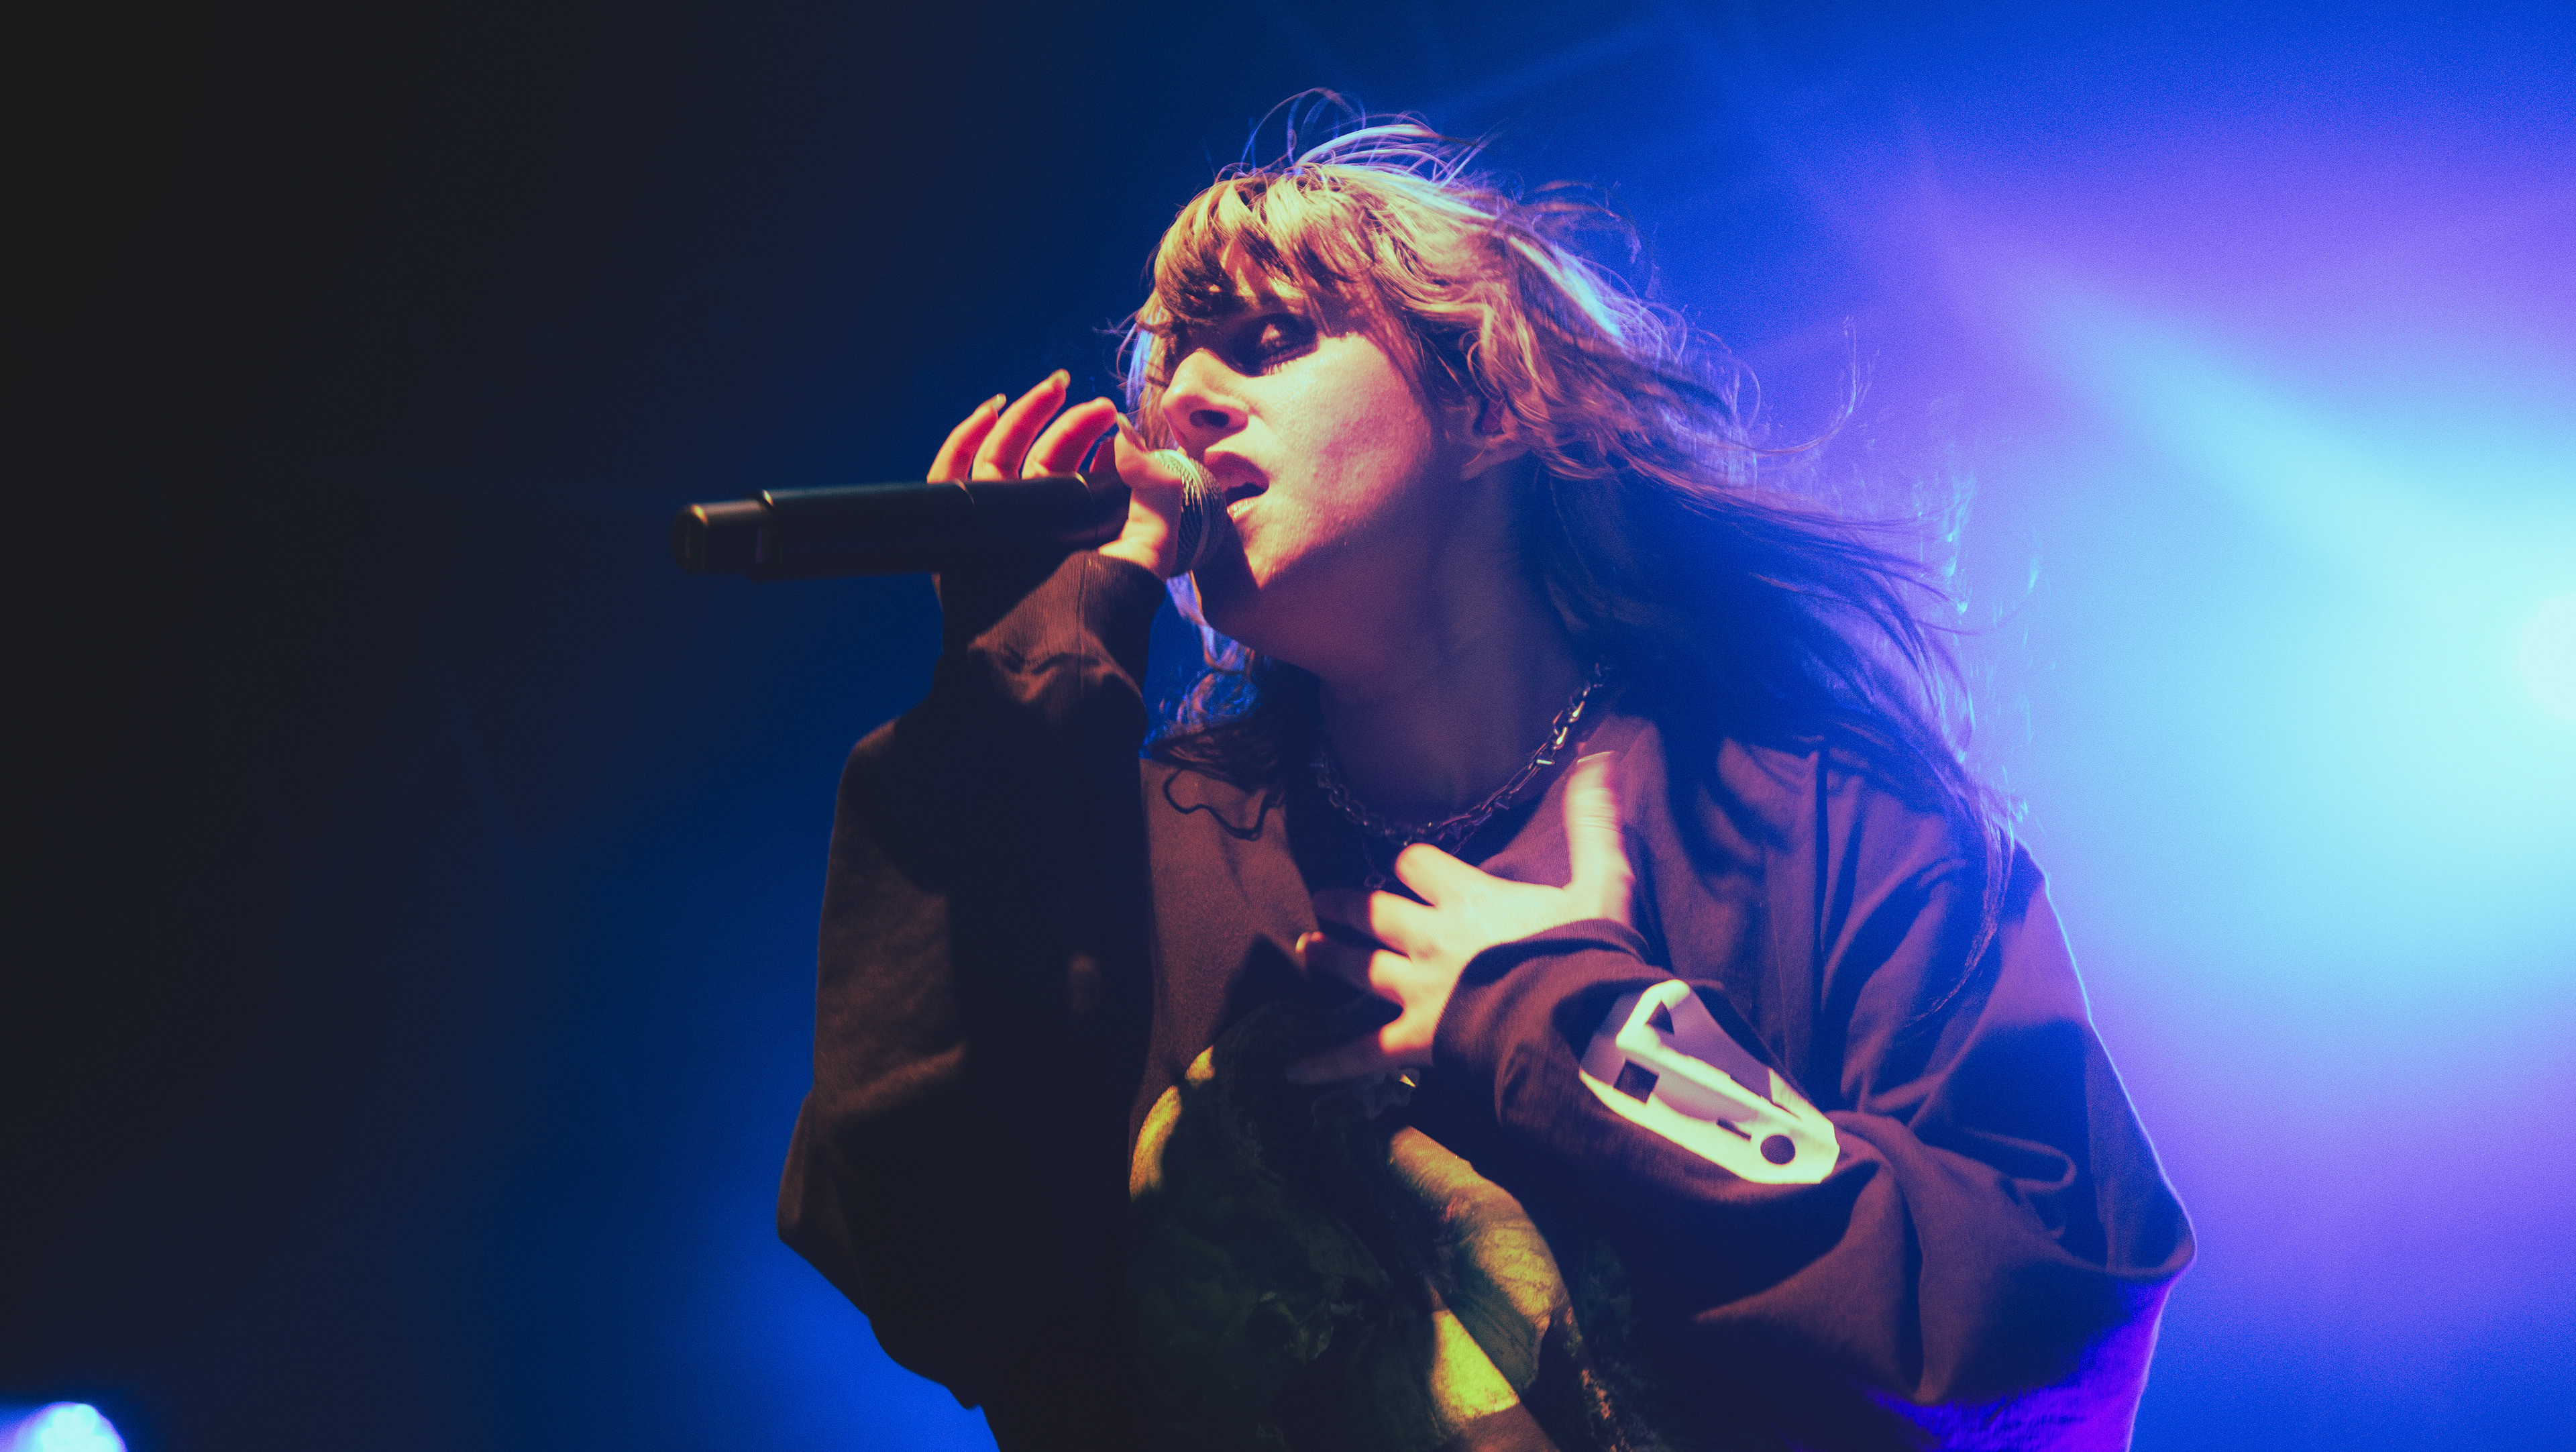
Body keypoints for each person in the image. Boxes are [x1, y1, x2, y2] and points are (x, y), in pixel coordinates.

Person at [777, 111, 2192, 1451]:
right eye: (1167, 376)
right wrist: (1012, 707)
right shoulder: (1138, 841)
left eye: (1267, 342)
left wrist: (1574, 1027)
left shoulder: (1813, 821)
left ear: (1496, 400)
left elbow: (2047, 1351)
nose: (1181, 404)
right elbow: (935, 1276)